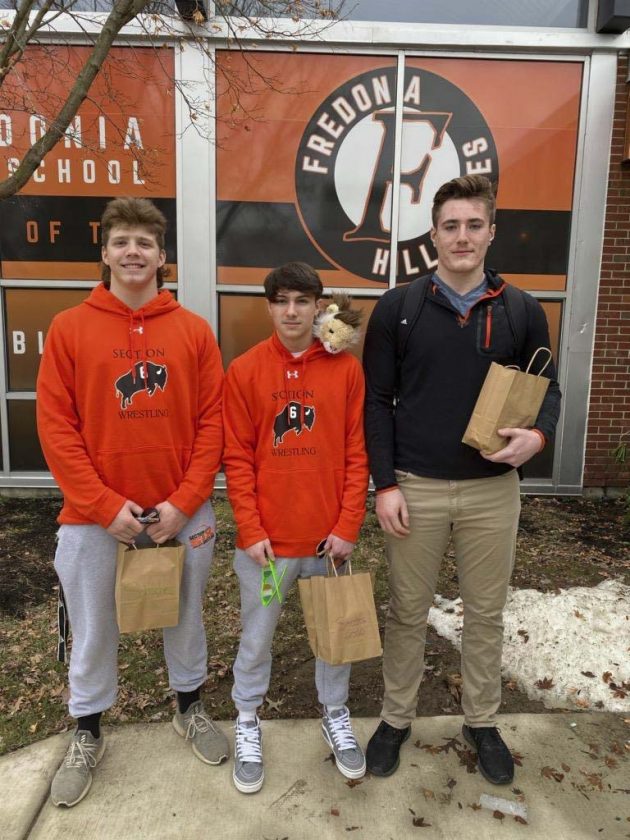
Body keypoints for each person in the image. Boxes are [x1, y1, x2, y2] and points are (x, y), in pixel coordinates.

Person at [362, 174, 561, 784]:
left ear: (491, 231)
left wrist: (539, 436)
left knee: (485, 613)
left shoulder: (522, 309)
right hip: (415, 486)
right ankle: (395, 718)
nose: (462, 236)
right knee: (407, 611)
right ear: (434, 235)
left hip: (492, 491)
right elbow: (376, 401)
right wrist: (384, 485)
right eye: (450, 226)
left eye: (474, 225)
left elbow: (548, 389)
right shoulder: (399, 308)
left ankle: (482, 720)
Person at [37, 197, 228, 808]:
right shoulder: (70, 328)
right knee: (94, 627)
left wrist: (185, 502)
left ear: (161, 255)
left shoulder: (193, 331)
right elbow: (56, 427)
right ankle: (88, 731)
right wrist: (102, 506)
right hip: (93, 518)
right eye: (121, 241)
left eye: (145, 242)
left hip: (181, 513)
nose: (133, 252)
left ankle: (189, 707)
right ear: (105, 253)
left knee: (184, 616)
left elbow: (213, 423)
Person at [223, 262, 369, 794]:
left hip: (328, 543)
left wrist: (348, 525)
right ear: (269, 307)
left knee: (335, 636)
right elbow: (237, 457)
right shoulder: (245, 370)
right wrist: (249, 528)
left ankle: (335, 712)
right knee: (257, 638)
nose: (291, 311)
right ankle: (246, 717)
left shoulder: (345, 370)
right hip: (268, 547)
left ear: (317, 307)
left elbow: (356, 453)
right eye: (281, 301)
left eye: (302, 301)